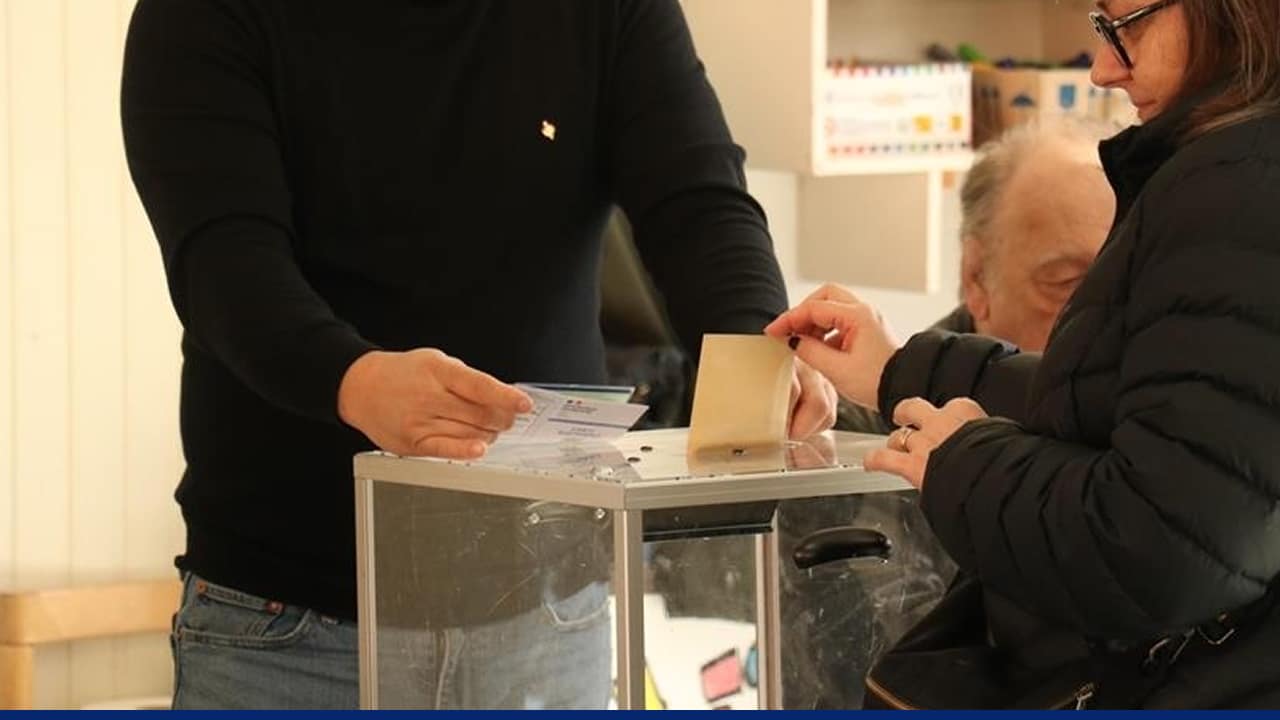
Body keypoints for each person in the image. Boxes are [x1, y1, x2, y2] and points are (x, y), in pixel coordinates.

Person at [120, 0, 836, 709]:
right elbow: (225, 267)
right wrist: (354, 381)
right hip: (289, 625)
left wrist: (760, 348)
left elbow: (698, 202)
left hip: (551, 616)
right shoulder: (202, 14)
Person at [768, 0, 1280, 707]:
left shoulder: (1235, 185)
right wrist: (899, 371)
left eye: (1123, 24)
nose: (1102, 67)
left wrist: (964, 461)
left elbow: (1162, 544)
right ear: (974, 276)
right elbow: (1155, 418)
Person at [778, 118, 1118, 708]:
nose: (1105, 324)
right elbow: (869, 663)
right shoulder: (863, 443)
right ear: (974, 277)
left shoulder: (1161, 409)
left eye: (1125, 285)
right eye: (1066, 286)